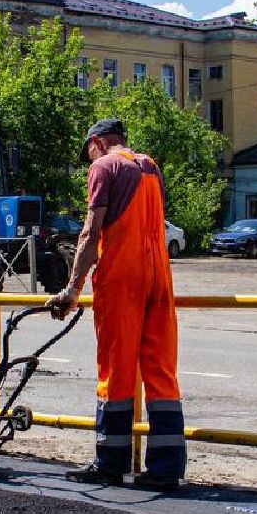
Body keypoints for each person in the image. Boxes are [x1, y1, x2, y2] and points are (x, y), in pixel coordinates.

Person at [47, 118, 185, 491]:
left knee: (116, 371)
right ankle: (166, 467)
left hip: (122, 281)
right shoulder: (149, 166)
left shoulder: (104, 166)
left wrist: (71, 290)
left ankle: (110, 463)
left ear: (97, 142)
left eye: (88, 150)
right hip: (159, 280)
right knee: (160, 373)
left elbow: (91, 232)